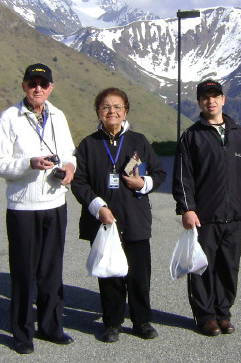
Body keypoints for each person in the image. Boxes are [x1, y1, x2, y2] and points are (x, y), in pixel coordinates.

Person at [172, 80, 241, 337]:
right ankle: (205, 317)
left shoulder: (239, 134)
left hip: (235, 216)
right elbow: (183, 177)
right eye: (205, 98)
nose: (211, 101)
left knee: (229, 266)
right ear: (200, 103)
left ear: (223, 100)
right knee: (202, 267)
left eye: (215, 96)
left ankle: (223, 313)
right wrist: (187, 208)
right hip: (205, 217)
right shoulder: (191, 137)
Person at [0, 63, 76, 354]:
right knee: (24, 272)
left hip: (55, 202)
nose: (37, 88)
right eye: (32, 83)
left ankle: (52, 327)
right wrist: (29, 163)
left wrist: (69, 168)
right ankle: (22, 333)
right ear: (24, 86)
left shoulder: (59, 116)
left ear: (51, 87)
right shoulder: (9, 117)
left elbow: (68, 153)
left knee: (52, 271)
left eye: (43, 83)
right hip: (23, 207)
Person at [71, 88, 166, 343]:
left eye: (117, 107)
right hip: (103, 221)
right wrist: (98, 207)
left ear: (125, 111)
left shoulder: (139, 141)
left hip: (135, 219)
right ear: (98, 112)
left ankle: (142, 321)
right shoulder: (88, 144)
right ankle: (112, 322)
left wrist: (143, 183)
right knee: (109, 274)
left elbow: (159, 173)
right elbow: (79, 183)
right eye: (105, 107)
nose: (111, 112)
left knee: (138, 275)